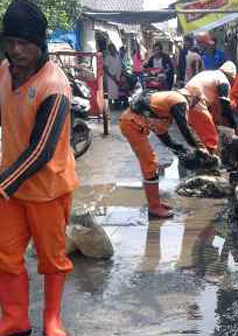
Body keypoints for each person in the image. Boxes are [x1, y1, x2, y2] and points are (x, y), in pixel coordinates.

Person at [0, 1, 79, 336]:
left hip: (48, 188)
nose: (16, 51)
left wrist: (2, 183)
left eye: (25, 44)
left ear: (40, 44)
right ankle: (16, 318)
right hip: (12, 189)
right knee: (4, 253)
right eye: (10, 42)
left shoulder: (54, 86)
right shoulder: (4, 70)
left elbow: (42, 150)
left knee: (52, 258)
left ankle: (52, 319)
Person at [119, 89, 215, 219]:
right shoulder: (180, 101)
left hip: (134, 122)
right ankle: (154, 207)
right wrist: (200, 148)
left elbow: (163, 135)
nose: (193, 106)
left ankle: (155, 203)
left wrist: (180, 150)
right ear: (192, 97)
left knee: (151, 164)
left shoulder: (166, 104)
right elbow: (185, 128)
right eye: (196, 102)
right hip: (131, 124)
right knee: (150, 165)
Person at [185, 61, 238, 152]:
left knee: (200, 137)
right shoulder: (223, 80)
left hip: (186, 101)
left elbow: (217, 109)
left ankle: (200, 158)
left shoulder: (211, 75)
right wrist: (235, 127)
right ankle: (212, 162)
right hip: (196, 102)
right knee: (211, 139)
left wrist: (217, 123)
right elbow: (225, 109)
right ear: (231, 77)